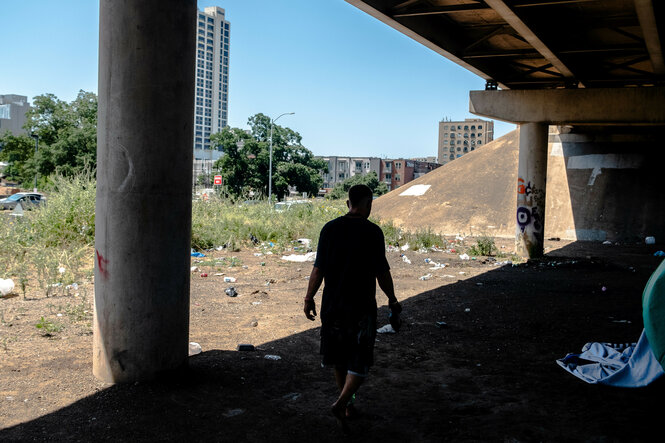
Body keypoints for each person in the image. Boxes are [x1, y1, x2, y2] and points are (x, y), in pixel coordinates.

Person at [303, 184, 401, 434]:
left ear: (348, 204)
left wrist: (308, 297)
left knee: (338, 357)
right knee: (360, 358)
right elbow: (382, 273)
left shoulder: (329, 229)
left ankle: (346, 405)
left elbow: (318, 270)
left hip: (332, 306)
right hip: (361, 308)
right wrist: (392, 298)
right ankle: (343, 402)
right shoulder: (373, 233)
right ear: (368, 204)